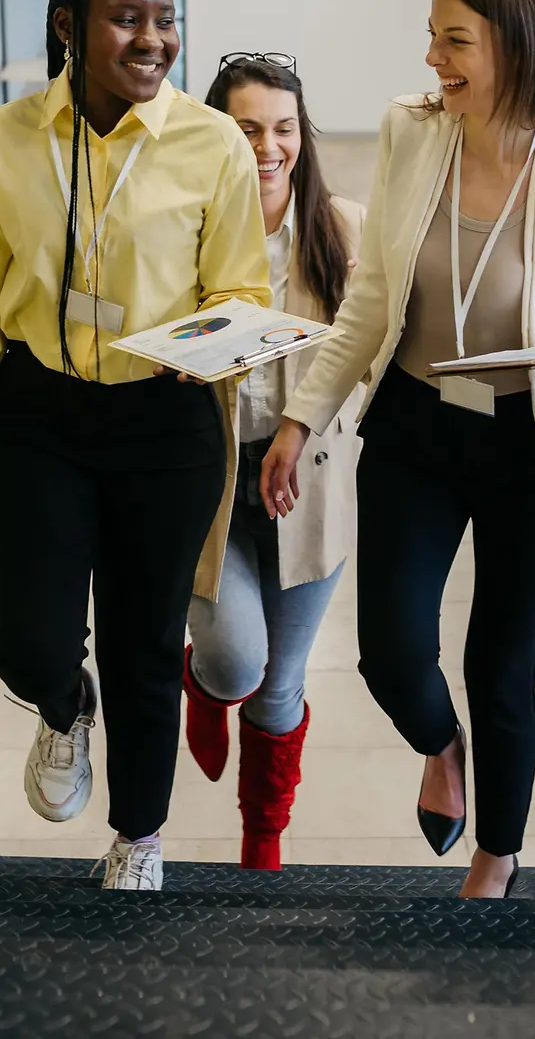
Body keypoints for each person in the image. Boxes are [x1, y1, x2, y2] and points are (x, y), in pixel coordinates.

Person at [260, 0, 535, 899]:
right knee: (390, 650)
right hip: (416, 428)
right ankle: (442, 748)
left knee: (502, 662)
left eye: (454, 40)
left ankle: (497, 857)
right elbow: (372, 294)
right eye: (432, 37)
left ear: (516, 43)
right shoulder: (412, 130)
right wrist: (303, 419)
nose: (433, 60)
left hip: (531, 440)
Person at [0, 0, 269, 892]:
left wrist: (216, 346)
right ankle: (65, 704)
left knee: (147, 644)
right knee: (28, 642)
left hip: (166, 421)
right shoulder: (3, 144)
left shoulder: (211, 144)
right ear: (69, 26)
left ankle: (138, 838)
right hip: (40, 417)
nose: (153, 39)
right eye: (126, 19)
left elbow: (244, 293)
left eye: (165, 18)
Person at [183, 54, 366, 870]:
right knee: (235, 664)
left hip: (308, 490)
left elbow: (380, 357)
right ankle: (204, 686)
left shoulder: (345, 232)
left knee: (282, 685)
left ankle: (263, 842)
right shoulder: (183, 233)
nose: (268, 146)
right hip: (212, 488)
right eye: (247, 128)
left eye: (284, 128)